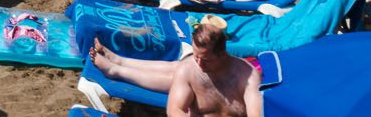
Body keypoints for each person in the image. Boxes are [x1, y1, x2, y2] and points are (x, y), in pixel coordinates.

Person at [87, 16, 261, 116]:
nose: (198, 63)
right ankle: (118, 64)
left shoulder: (247, 76)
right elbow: (174, 109)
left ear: (222, 53)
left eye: (205, 59)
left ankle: (117, 66)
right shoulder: (190, 67)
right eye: (195, 55)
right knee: (180, 68)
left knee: (175, 71)